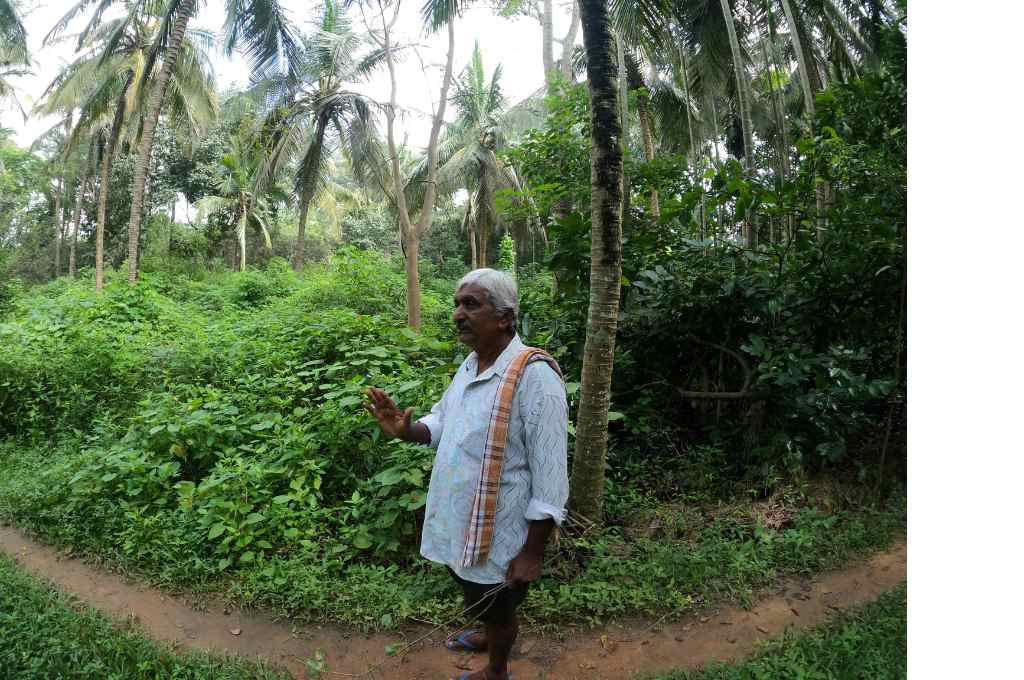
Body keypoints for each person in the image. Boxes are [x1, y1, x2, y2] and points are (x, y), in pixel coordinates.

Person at [365, 268, 568, 680]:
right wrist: (408, 431)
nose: (458, 314)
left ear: (505, 318)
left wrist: (532, 552)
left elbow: (551, 475)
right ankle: (488, 633)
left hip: (502, 535)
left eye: (471, 304)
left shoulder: (536, 378)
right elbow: (443, 420)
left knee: (498, 604)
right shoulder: (472, 365)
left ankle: (496, 670)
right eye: (457, 304)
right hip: (464, 522)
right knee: (478, 594)